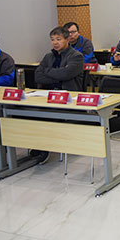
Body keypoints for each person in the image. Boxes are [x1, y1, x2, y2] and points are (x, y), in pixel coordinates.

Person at [34, 26, 84, 164]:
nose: (55, 43)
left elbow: (66, 74)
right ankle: (37, 143)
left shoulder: (76, 56)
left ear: (67, 39)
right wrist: (57, 76)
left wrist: (47, 71)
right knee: (29, 112)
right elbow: (37, 76)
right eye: (52, 40)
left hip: (67, 97)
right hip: (46, 95)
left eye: (58, 39)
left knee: (46, 115)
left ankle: (43, 148)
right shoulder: (48, 56)